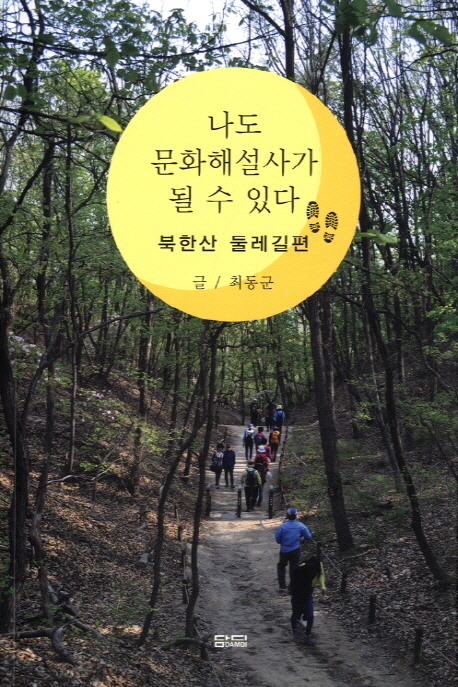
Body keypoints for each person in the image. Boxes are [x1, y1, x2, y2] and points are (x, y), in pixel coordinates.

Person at [290, 556, 325, 644]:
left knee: (310, 615)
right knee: (295, 613)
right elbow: (292, 583)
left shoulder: (318, 566)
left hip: (307, 595)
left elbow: (321, 576)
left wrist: (323, 587)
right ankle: (294, 629)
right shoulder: (300, 570)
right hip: (297, 594)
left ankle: (308, 635)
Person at [275, 507, 312, 590]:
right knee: (294, 568)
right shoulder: (300, 525)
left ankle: (282, 584)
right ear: (296, 515)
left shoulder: (282, 526)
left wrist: (283, 542)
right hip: (295, 549)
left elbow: (277, 539)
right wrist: (301, 540)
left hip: (284, 550)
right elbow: (308, 536)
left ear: (287, 515)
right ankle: (292, 586)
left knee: (281, 566)